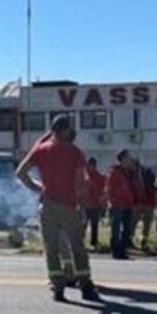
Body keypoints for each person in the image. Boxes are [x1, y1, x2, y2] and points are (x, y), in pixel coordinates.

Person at [16, 115, 97, 303]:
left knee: (51, 249)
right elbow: (80, 184)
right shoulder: (75, 152)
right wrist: (83, 205)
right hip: (68, 205)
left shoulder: (41, 150)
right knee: (77, 247)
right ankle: (86, 286)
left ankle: (58, 288)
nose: (73, 131)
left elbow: (20, 172)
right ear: (65, 130)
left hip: (47, 206)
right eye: (70, 128)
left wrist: (38, 188)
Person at [106, 149, 135, 260]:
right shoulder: (114, 171)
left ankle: (122, 250)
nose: (130, 160)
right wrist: (112, 201)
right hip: (117, 204)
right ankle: (116, 251)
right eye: (128, 157)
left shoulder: (129, 172)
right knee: (116, 229)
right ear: (122, 159)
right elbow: (109, 188)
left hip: (127, 204)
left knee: (126, 229)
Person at [132, 162, 157, 251]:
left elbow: (154, 185)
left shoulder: (147, 172)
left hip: (148, 201)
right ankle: (130, 240)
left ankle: (144, 241)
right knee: (133, 222)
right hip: (136, 202)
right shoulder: (130, 173)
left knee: (147, 223)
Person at [84, 156, 106, 250]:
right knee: (83, 225)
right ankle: (80, 242)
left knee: (94, 225)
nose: (88, 168)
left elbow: (105, 190)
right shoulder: (84, 177)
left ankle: (94, 242)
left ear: (94, 166)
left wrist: (103, 201)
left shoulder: (100, 177)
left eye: (90, 166)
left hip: (95, 205)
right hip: (85, 205)